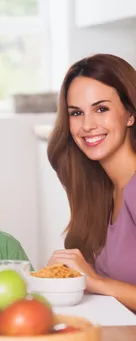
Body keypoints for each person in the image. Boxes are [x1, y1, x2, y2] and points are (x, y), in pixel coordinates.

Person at [46, 53, 136, 311]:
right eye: (76, 113)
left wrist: (94, 280)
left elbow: (98, 282)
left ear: (130, 114)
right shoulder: (101, 187)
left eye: (101, 109)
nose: (87, 125)